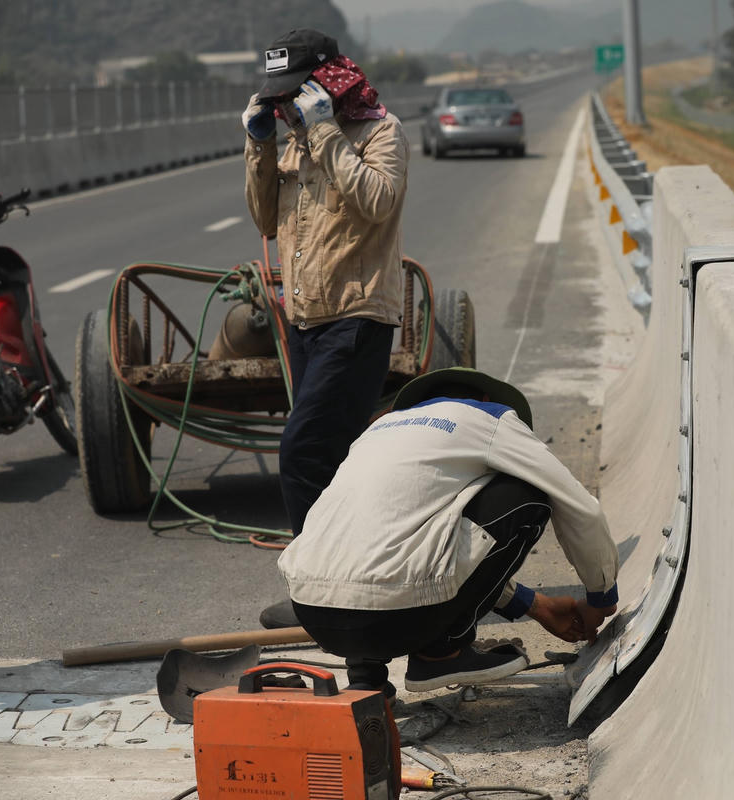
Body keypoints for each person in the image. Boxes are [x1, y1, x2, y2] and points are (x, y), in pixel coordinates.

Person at [276, 368, 621, 695]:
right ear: (485, 398)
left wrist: (535, 605)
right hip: (395, 616)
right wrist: (600, 598)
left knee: (386, 527)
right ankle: (441, 655)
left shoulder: (379, 430)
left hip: (314, 613)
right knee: (529, 495)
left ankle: (367, 677)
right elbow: (580, 506)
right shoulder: (490, 418)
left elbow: (428, 544)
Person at [241, 29, 410, 547]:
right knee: (334, 455)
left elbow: (379, 202)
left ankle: (315, 580)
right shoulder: (292, 143)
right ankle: (351, 573)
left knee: (302, 450)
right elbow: (265, 220)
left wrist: (326, 134)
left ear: (327, 84)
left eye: (295, 93)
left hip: (357, 320)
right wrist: (259, 146)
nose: (288, 105)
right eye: (280, 96)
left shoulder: (380, 132)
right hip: (306, 322)